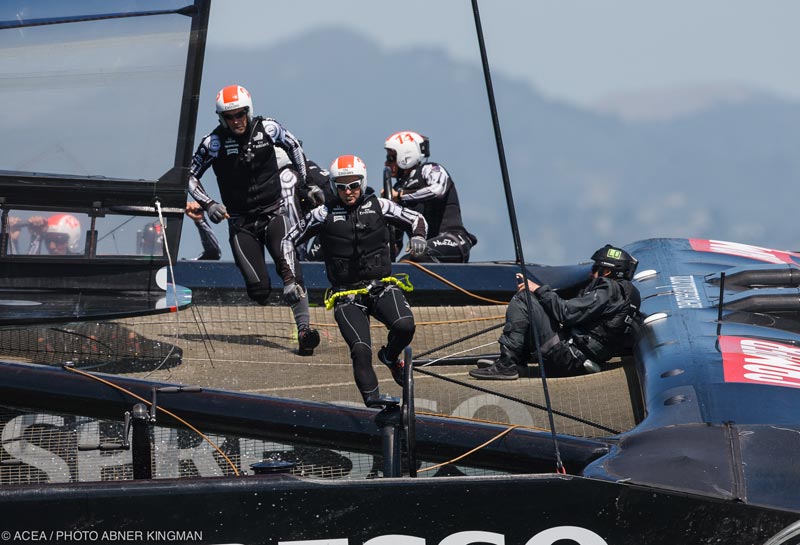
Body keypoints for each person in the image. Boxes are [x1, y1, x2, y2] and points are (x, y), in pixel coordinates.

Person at [279, 155, 428, 406]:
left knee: (405, 326)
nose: (348, 191)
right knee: (360, 349)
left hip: (381, 286)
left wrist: (419, 237)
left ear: (362, 182)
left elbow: (416, 219)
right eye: (342, 186)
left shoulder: (381, 205)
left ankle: (391, 357)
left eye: (354, 185)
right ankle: (374, 402)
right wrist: (290, 279)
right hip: (346, 295)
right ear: (335, 187)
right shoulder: (322, 213)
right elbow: (287, 240)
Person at [187, 84, 319, 355]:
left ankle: (305, 331)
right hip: (240, 223)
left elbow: (294, 147)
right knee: (259, 291)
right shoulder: (213, 143)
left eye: (240, 114)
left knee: (292, 277)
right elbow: (189, 175)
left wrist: (307, 184)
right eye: (229, 117)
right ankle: (266, 289)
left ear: (249, 111)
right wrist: (209, 203)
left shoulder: (268, 128)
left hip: (274, 214)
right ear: (221, 118)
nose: (236, 121)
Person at [469, 244, 641, 380]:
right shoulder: (630, 295)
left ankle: (508, 364)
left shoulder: (608, 288)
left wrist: (538, 289)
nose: (592, 274)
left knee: (525, 299)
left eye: (596, 268)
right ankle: (516, 361)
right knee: (539, 305)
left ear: (608, 271)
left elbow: (566, 313)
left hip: (568, 359)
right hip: (581, 359)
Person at [384, 131, 477, 263]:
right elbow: (396, 240)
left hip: (454, 240)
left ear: (405, 157)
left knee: (418, 255)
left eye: (391, 158)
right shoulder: (397, 190)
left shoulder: (430, 169)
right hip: (422, 247)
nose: (386, 163)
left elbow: (437, 190)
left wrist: (400, 196)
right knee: (403, 266)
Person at [9, 213, 83, 256]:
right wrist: (12, 241)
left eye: (57, 239)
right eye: (48, 239)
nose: (51, 246)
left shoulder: (82, 269)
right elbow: (26, 277)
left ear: (71, 240)